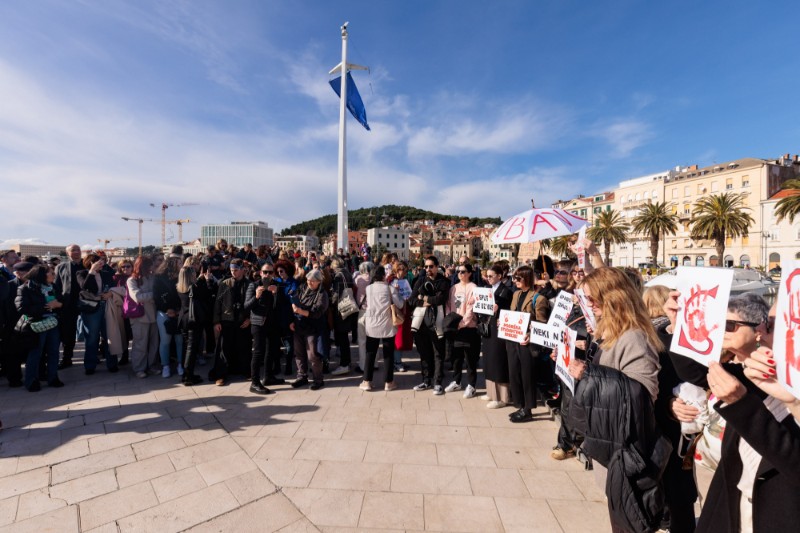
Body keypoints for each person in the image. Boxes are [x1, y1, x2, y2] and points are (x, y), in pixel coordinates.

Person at [567, 267, 667, 532]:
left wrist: (588, 375)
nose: (587, 305)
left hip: (628, 451)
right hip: (612, 446)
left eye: (591, 298)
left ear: (613, 298)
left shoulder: (634, 338)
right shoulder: (611, 332)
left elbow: (643, 394)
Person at [506, 265, 550, 422]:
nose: (515, 281)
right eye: (514, 278)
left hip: (527, 343)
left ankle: (528, 409)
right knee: (514, 373)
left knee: (527, 375)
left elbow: (542, 323)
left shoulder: (539, 299)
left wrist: (531, 335)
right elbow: (512, 314)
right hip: (513, 340)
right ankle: (520, 404)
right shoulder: (516, 294)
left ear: (527, 279)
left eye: (518, 278)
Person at [15, 265, 63, 391]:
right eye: (51, 273)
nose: (54, 275)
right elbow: (21, 308)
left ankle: (53, 378)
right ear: (42, 275)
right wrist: (46, 306)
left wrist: (59, 304)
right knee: (35, 354)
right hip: (36, 325)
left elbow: (62, 301)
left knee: (54, 352)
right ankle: (31, 381)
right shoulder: (25, 288)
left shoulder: (54, 286)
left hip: (53, 323)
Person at [410, 256, 450, 393]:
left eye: (431, 266)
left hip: (437, 322)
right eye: (426, 266)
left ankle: (437, 382)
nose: (428, 269)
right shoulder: (420, 280)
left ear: (437, 266)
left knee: (438, 353)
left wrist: (424, 298)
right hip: (421, 323)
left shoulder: (444, 282)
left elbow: (441, 299)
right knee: (424, 353)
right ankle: (426, 380)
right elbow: (411, 300)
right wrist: (424, 301)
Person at [360, 265, 403, 391]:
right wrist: (397, 291)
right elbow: (399, 303)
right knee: (388, 354)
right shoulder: (389, 289)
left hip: (372, 324)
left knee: (370, 353)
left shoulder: (368, 288)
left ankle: (367, 381)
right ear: (384, 275)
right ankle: (388, 382)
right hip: (387, 324)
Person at [443, 262, 481, 398]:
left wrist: (462, 323)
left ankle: (471, 385)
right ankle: (456, 381)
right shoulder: (454, 287)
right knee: (456, 357)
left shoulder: (474, 287)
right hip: (455, 327)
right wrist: (450, 319)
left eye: (463, 271)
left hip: (468, 327)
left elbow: (471, 309)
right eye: (458, 271)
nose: (460, 273)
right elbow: (448, 304)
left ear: (470, 273)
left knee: (470, 359)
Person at [211, 259, 252, 386]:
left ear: (242, 269)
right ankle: (221, 375)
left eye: (235, 270)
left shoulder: (250, 284)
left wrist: (249, 318)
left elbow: (254, 303)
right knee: (224, 349)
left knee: (244, 347)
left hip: (243, 320)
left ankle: (246, 371)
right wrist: (216, 321)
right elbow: (218, 302)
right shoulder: (225, 284)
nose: (233, 272)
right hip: (227, 320)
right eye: (231, 270)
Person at [480, 264, 513, 409]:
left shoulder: (506, 291)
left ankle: (502, 397)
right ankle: (491, 392)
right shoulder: (487, 289)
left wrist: (499, 309)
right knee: (489, 359)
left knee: (498, 360)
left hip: (499, 329)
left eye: (491, 276)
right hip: (488, 328)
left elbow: (508, 309)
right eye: (487, 276)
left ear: (500, 276)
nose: (488, 278)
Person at [77, 253, 116, 374]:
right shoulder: (82, 273)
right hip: (91, 308)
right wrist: (92, 272)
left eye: (102, 262)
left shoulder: (106, 274)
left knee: (109, 336)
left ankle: (112, 363)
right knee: (92, 337)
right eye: (99, 262)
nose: (102, 264)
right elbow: (84, 287)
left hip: (106, 306)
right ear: (91, 262)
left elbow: (113, 286)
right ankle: (90, 365)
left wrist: (110, 293)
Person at [290, 269, 329, 390]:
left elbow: (317, 312)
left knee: (313, 355)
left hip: (313, 328)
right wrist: (292, 316)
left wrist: (301, 311)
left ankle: (318, 379)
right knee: (299, 353)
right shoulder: (302, 287)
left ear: (319, 281)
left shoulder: (322, 293)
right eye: (308, 280)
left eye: (312, 281)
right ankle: (302, 376)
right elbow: (294, 300)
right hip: (298, 325)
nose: (309, 283)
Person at [244, 263, 279, 394]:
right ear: (260, 273)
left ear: (273, 274)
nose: (267, 275)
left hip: (272, 322)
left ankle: (268, 377)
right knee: (258, 352)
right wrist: (257, 296)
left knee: (271, 350)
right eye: (265, 272)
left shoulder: (276, 285)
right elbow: (246, 306)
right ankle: (255, 382)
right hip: (258, 323)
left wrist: (276, 294)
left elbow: (279, 306)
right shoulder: (253, 285)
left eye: (270, 272)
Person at [127, 256, 159, 378]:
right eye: (150, 265)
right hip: (140, 317)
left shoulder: (153, 277)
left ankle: (151, 366)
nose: (152, 267)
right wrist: (153, 295)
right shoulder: (132, 280)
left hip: (154, 315)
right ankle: (139, 368)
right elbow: (138, 297)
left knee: (153, 343)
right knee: (140, 343)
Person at [153, 257, 184, 378]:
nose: (182, 264)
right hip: (164, 313)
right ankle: (165, 365)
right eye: (180, 262)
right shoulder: (159, 277)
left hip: (179, 312)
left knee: (179, 340)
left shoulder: (182, 276)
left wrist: (178, 310)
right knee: (165, 341)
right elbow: (157, 296)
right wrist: (168, 309)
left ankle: (180, 364)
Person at [53, 244, 83, 369]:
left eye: (78, 250)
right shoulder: (61, 267)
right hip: (68, 305)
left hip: (87, 303)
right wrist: (60, 303)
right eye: (73, 250)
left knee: (92, 332)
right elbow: (57, 286)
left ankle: (94, 355)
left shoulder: (87, 265)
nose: (76, 252)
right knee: (68, 333)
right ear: (67, 253)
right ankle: (67, 358)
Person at [176, 265, 203, 386]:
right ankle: (188, 375)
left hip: (183, 319)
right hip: (193, 319)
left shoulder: (178, 287)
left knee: (187, 347)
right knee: (191, 349)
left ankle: (185, 374)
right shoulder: (194, 287)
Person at [329, 257, 356, 376]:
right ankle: (347, 362)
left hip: (341, 309)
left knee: (342, 336)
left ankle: (344, 364)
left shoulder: (338, 276)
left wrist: (330, 301)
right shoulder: (347, 273)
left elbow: (336, 295)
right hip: (348, 306)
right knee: (344, 337)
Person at [389, 260, 413, 372]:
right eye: (400, 269)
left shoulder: (402, 280)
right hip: (397, 312)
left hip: (403, 311)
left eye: (404, 269)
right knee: (398, 338)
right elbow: (396, 300)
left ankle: (398, 360)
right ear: (396, 269)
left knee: (401, 337)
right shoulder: (393, 281)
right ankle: (397, 362)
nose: (403, 271)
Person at [354, 261, 374, 373]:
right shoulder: (375, 279)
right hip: (373, 312)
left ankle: (363, 365)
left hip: (362, 311)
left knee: (362, 340)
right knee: (374, 339)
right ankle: (374, 363)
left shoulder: (358, 279)